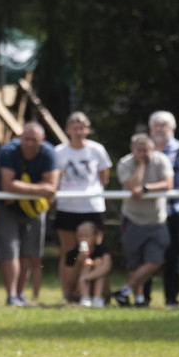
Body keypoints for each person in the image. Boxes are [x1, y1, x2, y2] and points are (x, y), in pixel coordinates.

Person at [0, 122, 59, 306]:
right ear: (20, 138)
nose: (29, 143)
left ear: (42, 140)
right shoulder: (7, 151)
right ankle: (11, 295)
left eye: (34, 140)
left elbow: (51, 186)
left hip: (35, 210)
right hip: (7, 209)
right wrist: (39, 189)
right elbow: (7, 185)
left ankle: (21, 295)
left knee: (28, 254)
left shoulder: (49, 152)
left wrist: (21, 189)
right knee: (9, 252)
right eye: (26, 139)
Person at [54, 112, 112, 301]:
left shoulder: (97, 150)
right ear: (67, 129)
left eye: (82, 128)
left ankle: (93, 292)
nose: (78, 132)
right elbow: (56, 179)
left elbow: (104, 178)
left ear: (87, 129)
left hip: (92, 206)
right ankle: (68, 292)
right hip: (67, 207)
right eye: (74, 128)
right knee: (69, 252)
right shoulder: (59, 152)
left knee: (95, 253)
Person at [112, 133, 173, 306]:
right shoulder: (125, 163)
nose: (144, 153)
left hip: (156, 219)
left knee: (155, 260)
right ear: (132, 150)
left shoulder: (161, 160)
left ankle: (125, 290)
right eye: (139, 150)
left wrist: (146, 188)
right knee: (133, 262)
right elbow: (130, 186)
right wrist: (140, 166)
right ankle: (138, 299)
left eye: (146, 150)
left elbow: (168, 183)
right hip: (132, 219)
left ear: (152, 149)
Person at [145, 111, 179, 308]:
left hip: (172, 211)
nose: (159, 129)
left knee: (173, 255)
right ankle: (144, 299)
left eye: (163, 125)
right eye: (156, 125)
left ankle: (171, 299)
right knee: (145, 255)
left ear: (172, 129)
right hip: (147, 212)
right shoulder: (143, 149)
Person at [63, 222, 111, 307]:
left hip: (101, 288)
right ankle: (85, 297)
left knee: (98, 261)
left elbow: (106, 267)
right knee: (87, 264)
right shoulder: (72, 252)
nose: (83, 239)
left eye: (86, 236)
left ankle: (97, 298)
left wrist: (85, 278)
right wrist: (78, 263)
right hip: (78, 290)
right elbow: (69, 284)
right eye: (81, 236)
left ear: (95, 236)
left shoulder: (102, 250)